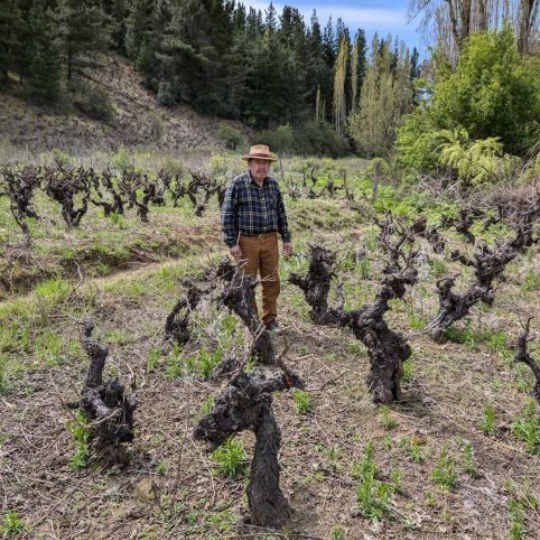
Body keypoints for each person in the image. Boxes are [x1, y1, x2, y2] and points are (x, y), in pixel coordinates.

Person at [221, 144, 292, 331]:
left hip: (270, 240)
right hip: (247, 241)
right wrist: (232, 243)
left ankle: (270, 319)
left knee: (271, 281)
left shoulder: (273, 185)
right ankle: (252, 322)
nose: (262, 166)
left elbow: (281, 213)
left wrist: (286, 238)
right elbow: (227, 215)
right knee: (247, 282)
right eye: (258, 162)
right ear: (250, 164)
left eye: (265, 163)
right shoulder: (238, 184)